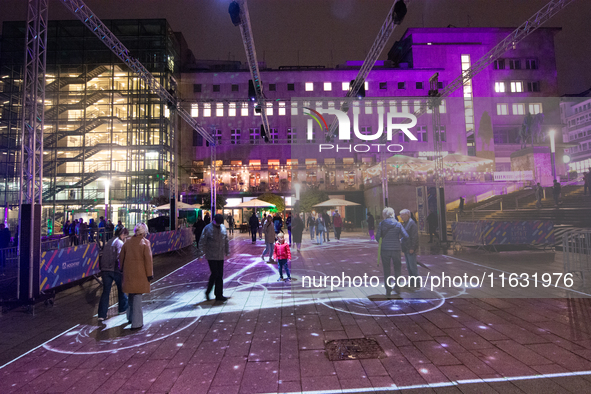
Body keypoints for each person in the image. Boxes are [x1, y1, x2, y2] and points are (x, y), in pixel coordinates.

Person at [120, 223, 153, 330]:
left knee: (131, 295)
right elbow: (148, 261)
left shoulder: (127, 241)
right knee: (137, 298)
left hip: (128, 273)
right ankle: (137, 322)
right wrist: (149, 274)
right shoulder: (145, 243)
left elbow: (121, 257)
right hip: (140, 274)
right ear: (144, 232)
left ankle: (130, 317)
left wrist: (122, 269)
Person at [376, 207, 409, 297]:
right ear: (393, 214)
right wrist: (399, 240)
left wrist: (383, 240)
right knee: (397, 268)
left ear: (384, 215)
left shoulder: (381, 224)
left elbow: (377, 237)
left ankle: (388, 289)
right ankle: (397, 287)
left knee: (387, 270)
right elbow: (406, 236)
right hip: (396, 249)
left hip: (385, 250)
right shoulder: (398, 224)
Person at [98, 228, 129, 321]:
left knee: (106, 292)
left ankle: (102, 314)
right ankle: (123, 308)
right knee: (121, 288)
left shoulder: (109, 241)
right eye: (125, 235)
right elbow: (120, 256)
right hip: (114, 269)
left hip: (105, 270)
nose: (125, 238)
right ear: (122, 234)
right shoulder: (119, 243)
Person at [199, 214, 230, 301]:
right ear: (214, 220)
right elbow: (202, 241)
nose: (218, 225)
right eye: (217, 223)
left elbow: (226, 240)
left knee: (220, 275)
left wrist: (227, 251)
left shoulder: (223, 228)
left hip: (220, 255)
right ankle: (208, 291)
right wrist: (200, 253)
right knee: (215, 273)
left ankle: (219, 294)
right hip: (211, 255)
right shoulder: (207, 228)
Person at [400, 209, 419, 287]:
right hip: (406, 247)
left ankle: (417, 283)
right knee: (409, 266)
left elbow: (414, 237)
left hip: (410, 247)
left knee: (412, 266)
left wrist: (412, 247)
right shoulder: (405, 223)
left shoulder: (411, 224)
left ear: (407, 215)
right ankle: (411, 282)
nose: (401, 217)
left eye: (402, 215)